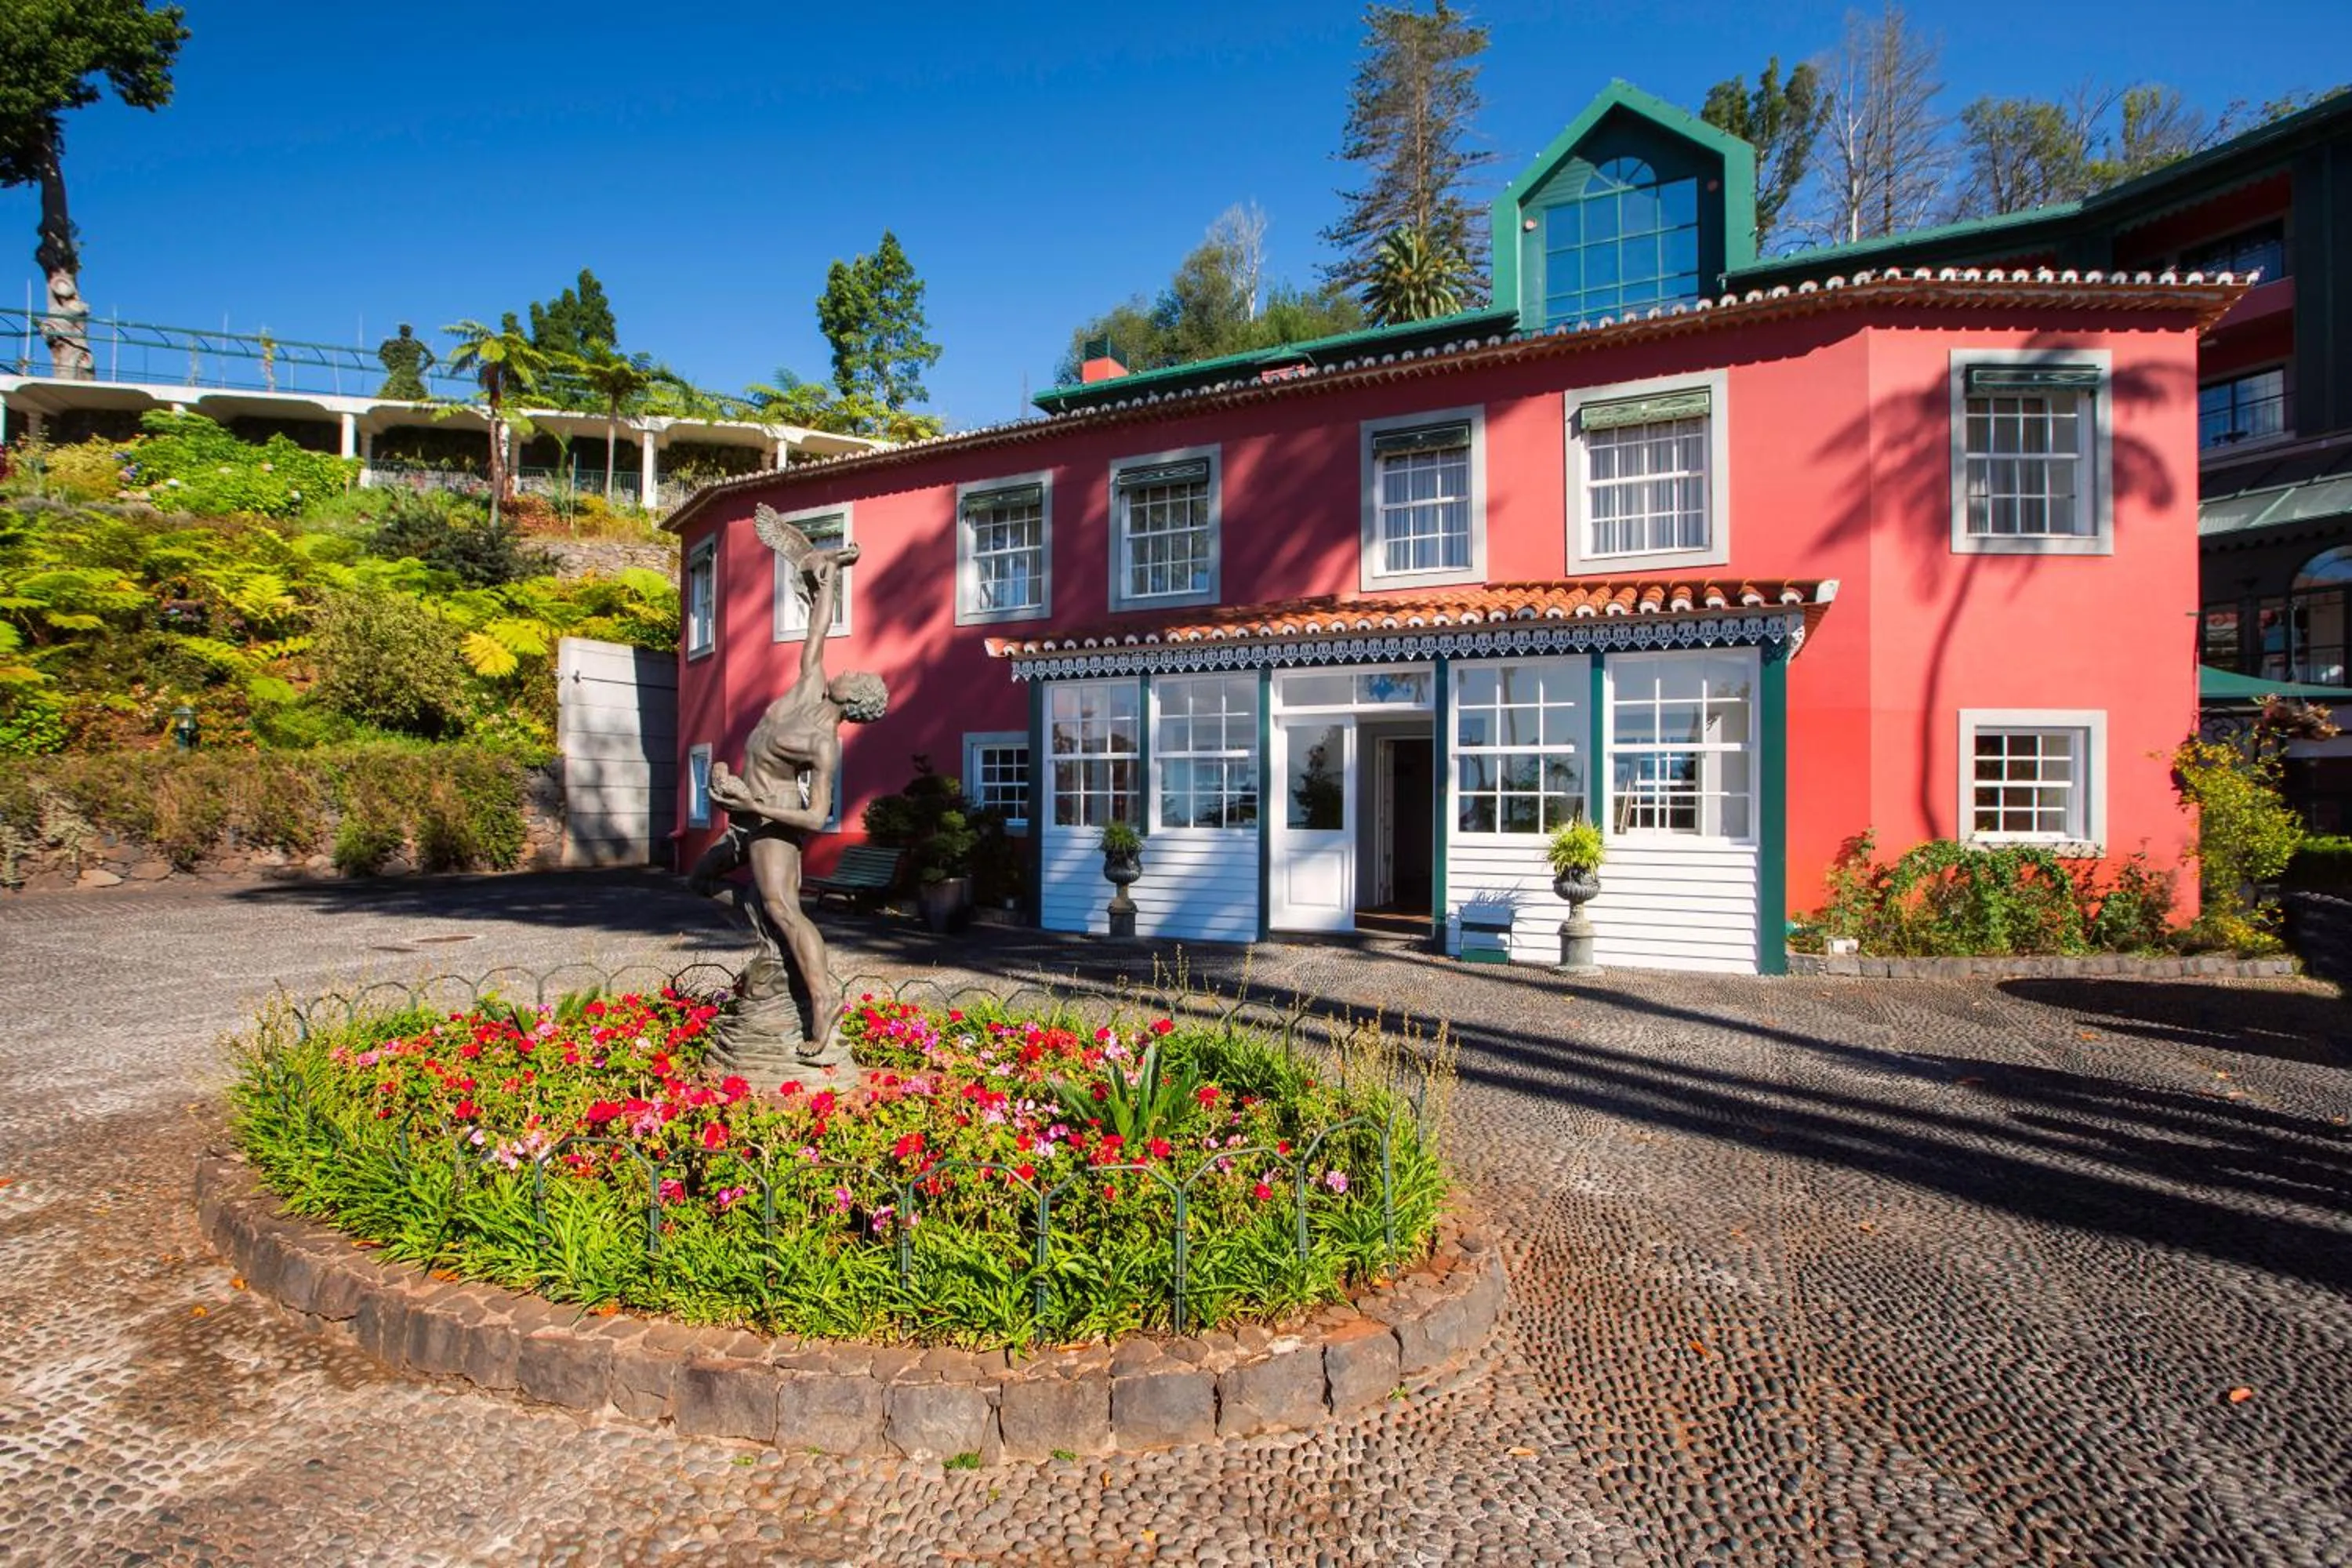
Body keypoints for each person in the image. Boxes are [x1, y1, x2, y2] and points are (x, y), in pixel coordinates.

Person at [688, 533, 886, 1063]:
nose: (849, 669)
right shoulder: (808, 686)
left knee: (786, 909)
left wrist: (753, 808)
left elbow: (818, 815)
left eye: (859, 676)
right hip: (744, 811)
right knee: (703, 881)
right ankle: (768, 941)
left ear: (856, 698)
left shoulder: (824, 745)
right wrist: (834, 573)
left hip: (770, 821)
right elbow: (818, 627)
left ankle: (822, 999)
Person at [376, 324, 435, 401]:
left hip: (406, 374)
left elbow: (431, 359)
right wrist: (392, 366)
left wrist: (391, 366)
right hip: (405, 374)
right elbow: (431, 358)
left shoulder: (396, 343)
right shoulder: (399, 343)